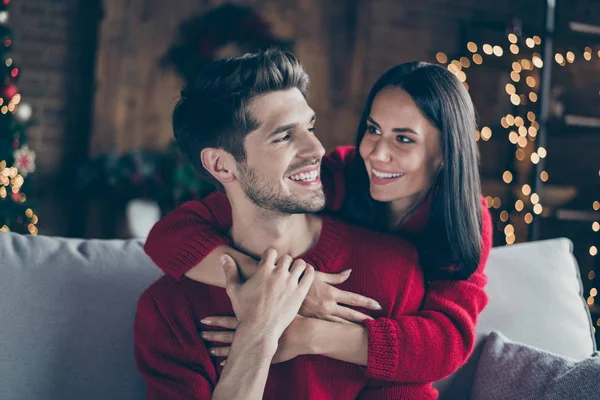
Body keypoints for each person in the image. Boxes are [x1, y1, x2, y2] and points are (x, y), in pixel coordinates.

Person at [144, 56, 493, 388]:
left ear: (447, 151)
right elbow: (171, 235)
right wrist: (291, 286)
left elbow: (445, 343)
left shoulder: (462, 220)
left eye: (404, 138)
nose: (376, 153)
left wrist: (304, 334)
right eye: (373, 129)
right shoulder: (339, 174)